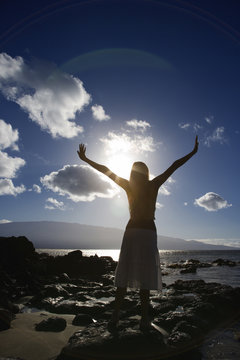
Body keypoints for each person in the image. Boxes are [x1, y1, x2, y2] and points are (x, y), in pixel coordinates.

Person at [77, 135, 199, 331]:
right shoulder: (153, 185)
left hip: (132, 230)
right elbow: (174, 165)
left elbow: (106, 171)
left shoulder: (128, 185)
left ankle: (115, 316)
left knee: (124, 273)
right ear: (147, 173)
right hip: (148, 231)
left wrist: (86, 159)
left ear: (133, 173)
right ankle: (144, 318)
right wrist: (193, 152)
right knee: (145, 275)